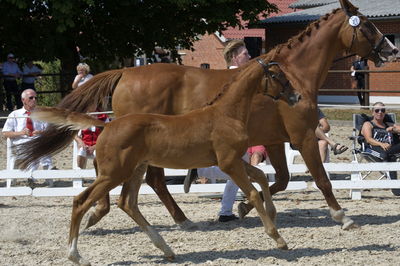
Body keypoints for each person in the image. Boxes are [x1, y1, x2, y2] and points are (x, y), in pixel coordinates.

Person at [184, 40, 252, 222]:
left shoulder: (237, 75)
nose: (250, 57)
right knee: (241, 171)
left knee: (239, 173)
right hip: (230, 131)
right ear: (235, 57)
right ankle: (202, 172)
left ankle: (226, 212)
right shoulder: (235, 77)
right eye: (245, 54)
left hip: (236, 129)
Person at [2, 89, 52, 172]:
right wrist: (21, 132)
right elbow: (5, 133)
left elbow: (49, 131)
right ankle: (31, 177)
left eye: (35, 98)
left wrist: (40, 132)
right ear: (23, 100)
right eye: (31, 98)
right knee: (33, 150)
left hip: (38, 141)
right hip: (21, 143)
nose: (34, 100)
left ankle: (48, 173)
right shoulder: (15, 114)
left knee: (44, 151)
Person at [361, 102, 400, 196]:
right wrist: (381, 144)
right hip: (372, 149)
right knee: (387, 156)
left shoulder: (388, 124)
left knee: (390, 155)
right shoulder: (368, 124)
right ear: (372, 112)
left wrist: (393, 129)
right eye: (377, 110)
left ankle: (395, 186)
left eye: (382, 110)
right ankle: (395, 187)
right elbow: (369, 139)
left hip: (389, 149)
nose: (380, 112)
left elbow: (398, 128)